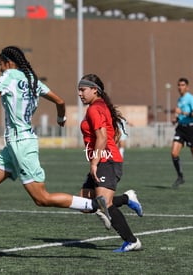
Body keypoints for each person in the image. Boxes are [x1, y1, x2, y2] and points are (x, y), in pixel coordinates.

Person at [0, 46, 110, 251]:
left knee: (42, 198)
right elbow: (60, 101)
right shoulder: (32, 79)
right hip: (14, 145)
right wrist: (60, 117)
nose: (0, 70)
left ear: (7, 62)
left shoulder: (9, 75)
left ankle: (93, 205)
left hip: (21, 144)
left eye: (0, 65)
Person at [77, 73, 142, 252]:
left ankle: (132, 241)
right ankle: (128, 198)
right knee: (85, 203)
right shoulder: (99, 106)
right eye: (79, 90)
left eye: (83, 90)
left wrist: (94, 162)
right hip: (103, 159)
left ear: (94, 90)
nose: (80, 94)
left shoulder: (94, 109)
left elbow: (102, 136)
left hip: (107, 160)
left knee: (103, 203)